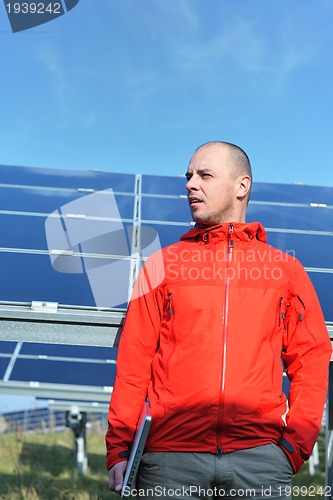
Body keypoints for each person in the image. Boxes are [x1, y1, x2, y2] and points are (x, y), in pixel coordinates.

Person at [106, 141, 331, 499]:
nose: (190, 184)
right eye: (189, 176)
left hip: (260, 462)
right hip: (169, 462)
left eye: (204, 175)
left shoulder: (284, 270)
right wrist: (119, 448)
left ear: (241, 186)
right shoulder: (162, 265)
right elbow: (135, 361)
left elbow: (311, 359)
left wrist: (294, 448)